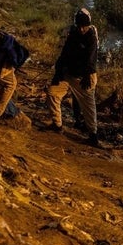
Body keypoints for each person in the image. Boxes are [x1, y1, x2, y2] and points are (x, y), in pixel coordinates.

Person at [44, 8, 101, 147]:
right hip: (68, 74)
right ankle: (57, 125)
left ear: (88, 25)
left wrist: (87, 75)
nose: (82, 29)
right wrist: (58, 72)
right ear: (76, 25)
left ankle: (93, 136)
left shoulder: (91, 38)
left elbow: (91, 60)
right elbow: (64, 53)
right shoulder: (73, 34)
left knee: (88, 107)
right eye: (80, 26)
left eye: (84, 26)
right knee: (52, 93)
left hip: (84, 77)